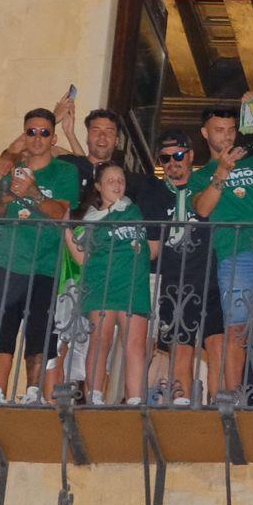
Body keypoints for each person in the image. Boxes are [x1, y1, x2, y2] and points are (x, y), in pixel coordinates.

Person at [0, 108, 83, 403]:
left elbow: (61, 212)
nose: (37, 138)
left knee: (39, 332)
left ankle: (34, 392)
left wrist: (33, 192)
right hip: (7, 262)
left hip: (46, 265)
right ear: (24, 136)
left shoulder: (65, 172)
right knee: (1, 331)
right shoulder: (8, 171)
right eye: (32, 132)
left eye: (44, 132)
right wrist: (6, 196)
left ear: (53, 138)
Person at [190, 104, 253, 403]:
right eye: (219, 130)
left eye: (231, 130)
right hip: (234, 253)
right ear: (205, 133)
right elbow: (203, 209)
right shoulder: (202, 175)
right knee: (236, 325)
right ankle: (234, 397)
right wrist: (221, 174)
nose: (226, 136)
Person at [63, 162, 155, 405]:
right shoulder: (92, 219)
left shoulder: (133, 211)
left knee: (135, 344)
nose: (117, 184)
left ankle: (135, 399)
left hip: (133, 284)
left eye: (121, 180)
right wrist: (66, 232)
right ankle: (94, 396)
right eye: (111, 180)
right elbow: (82, 257)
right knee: (100, 340)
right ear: (98, 186)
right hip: (102, 283)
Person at [152, 128, 223, 406]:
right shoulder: (155, 193)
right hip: (174, 278)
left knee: (217, 343)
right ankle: (181, 402)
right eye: (165, 158)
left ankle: (219, 402)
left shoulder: (207, 183)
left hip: (211, 276)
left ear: (191, 155)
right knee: (180, 346)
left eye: (178, 155)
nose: (173, 162)